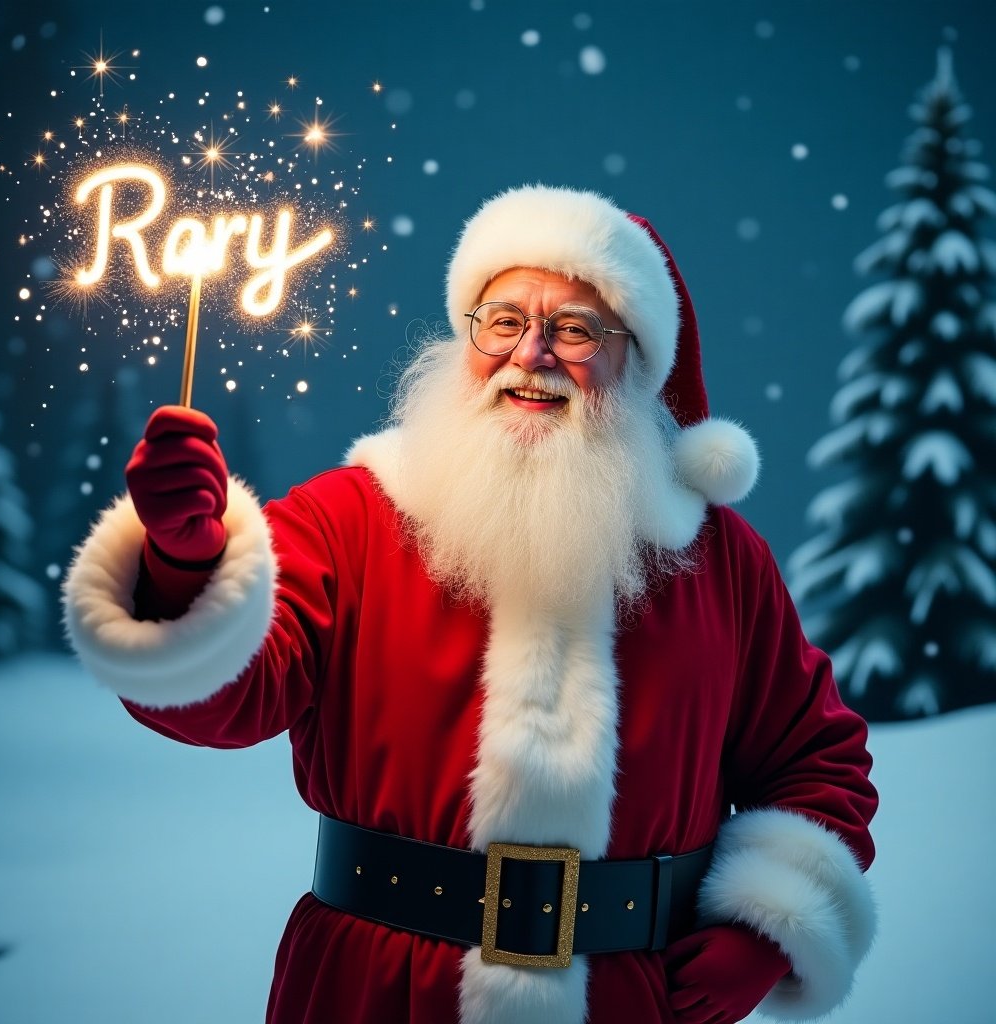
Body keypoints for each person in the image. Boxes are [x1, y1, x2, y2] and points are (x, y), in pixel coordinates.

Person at [64, 185, 878, 1024]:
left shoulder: (715, 562)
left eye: (574, 329)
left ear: (634, 358)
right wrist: (182, 565)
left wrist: (772, 924)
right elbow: (226, 700)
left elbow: (818, 766)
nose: (532, 354)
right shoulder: (354, 516)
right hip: (375, 993)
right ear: (467, 339)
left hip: (631, 999)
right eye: (503, 320)